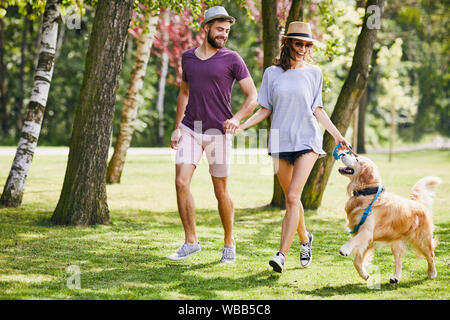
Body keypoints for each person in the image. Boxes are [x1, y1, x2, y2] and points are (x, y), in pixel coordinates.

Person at [239, 21, 350, 272]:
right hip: (280, 141)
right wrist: (242, 126)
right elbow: (265, 109)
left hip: (307, 140)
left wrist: (338, 135)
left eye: (306, 44)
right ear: (288, 42)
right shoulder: (271, 73)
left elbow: (317, 109)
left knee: (291, 196)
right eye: (298, 43)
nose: (302, 48)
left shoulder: (314, 73)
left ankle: (281, 255)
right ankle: (305, 239)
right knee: (293, 199)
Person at [168, 6, 258, 263]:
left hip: (218, 132)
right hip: (190, 129)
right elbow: (184, 92)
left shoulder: (232, 59)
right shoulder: (188, 58)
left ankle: (229, 243)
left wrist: (237, 118)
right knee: (181, 182)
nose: (223, 35)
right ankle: (190, 241)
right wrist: (177, 127)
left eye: (227, 31)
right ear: (205, 27)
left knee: (220, 191)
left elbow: (253, 95)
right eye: (219, 29)